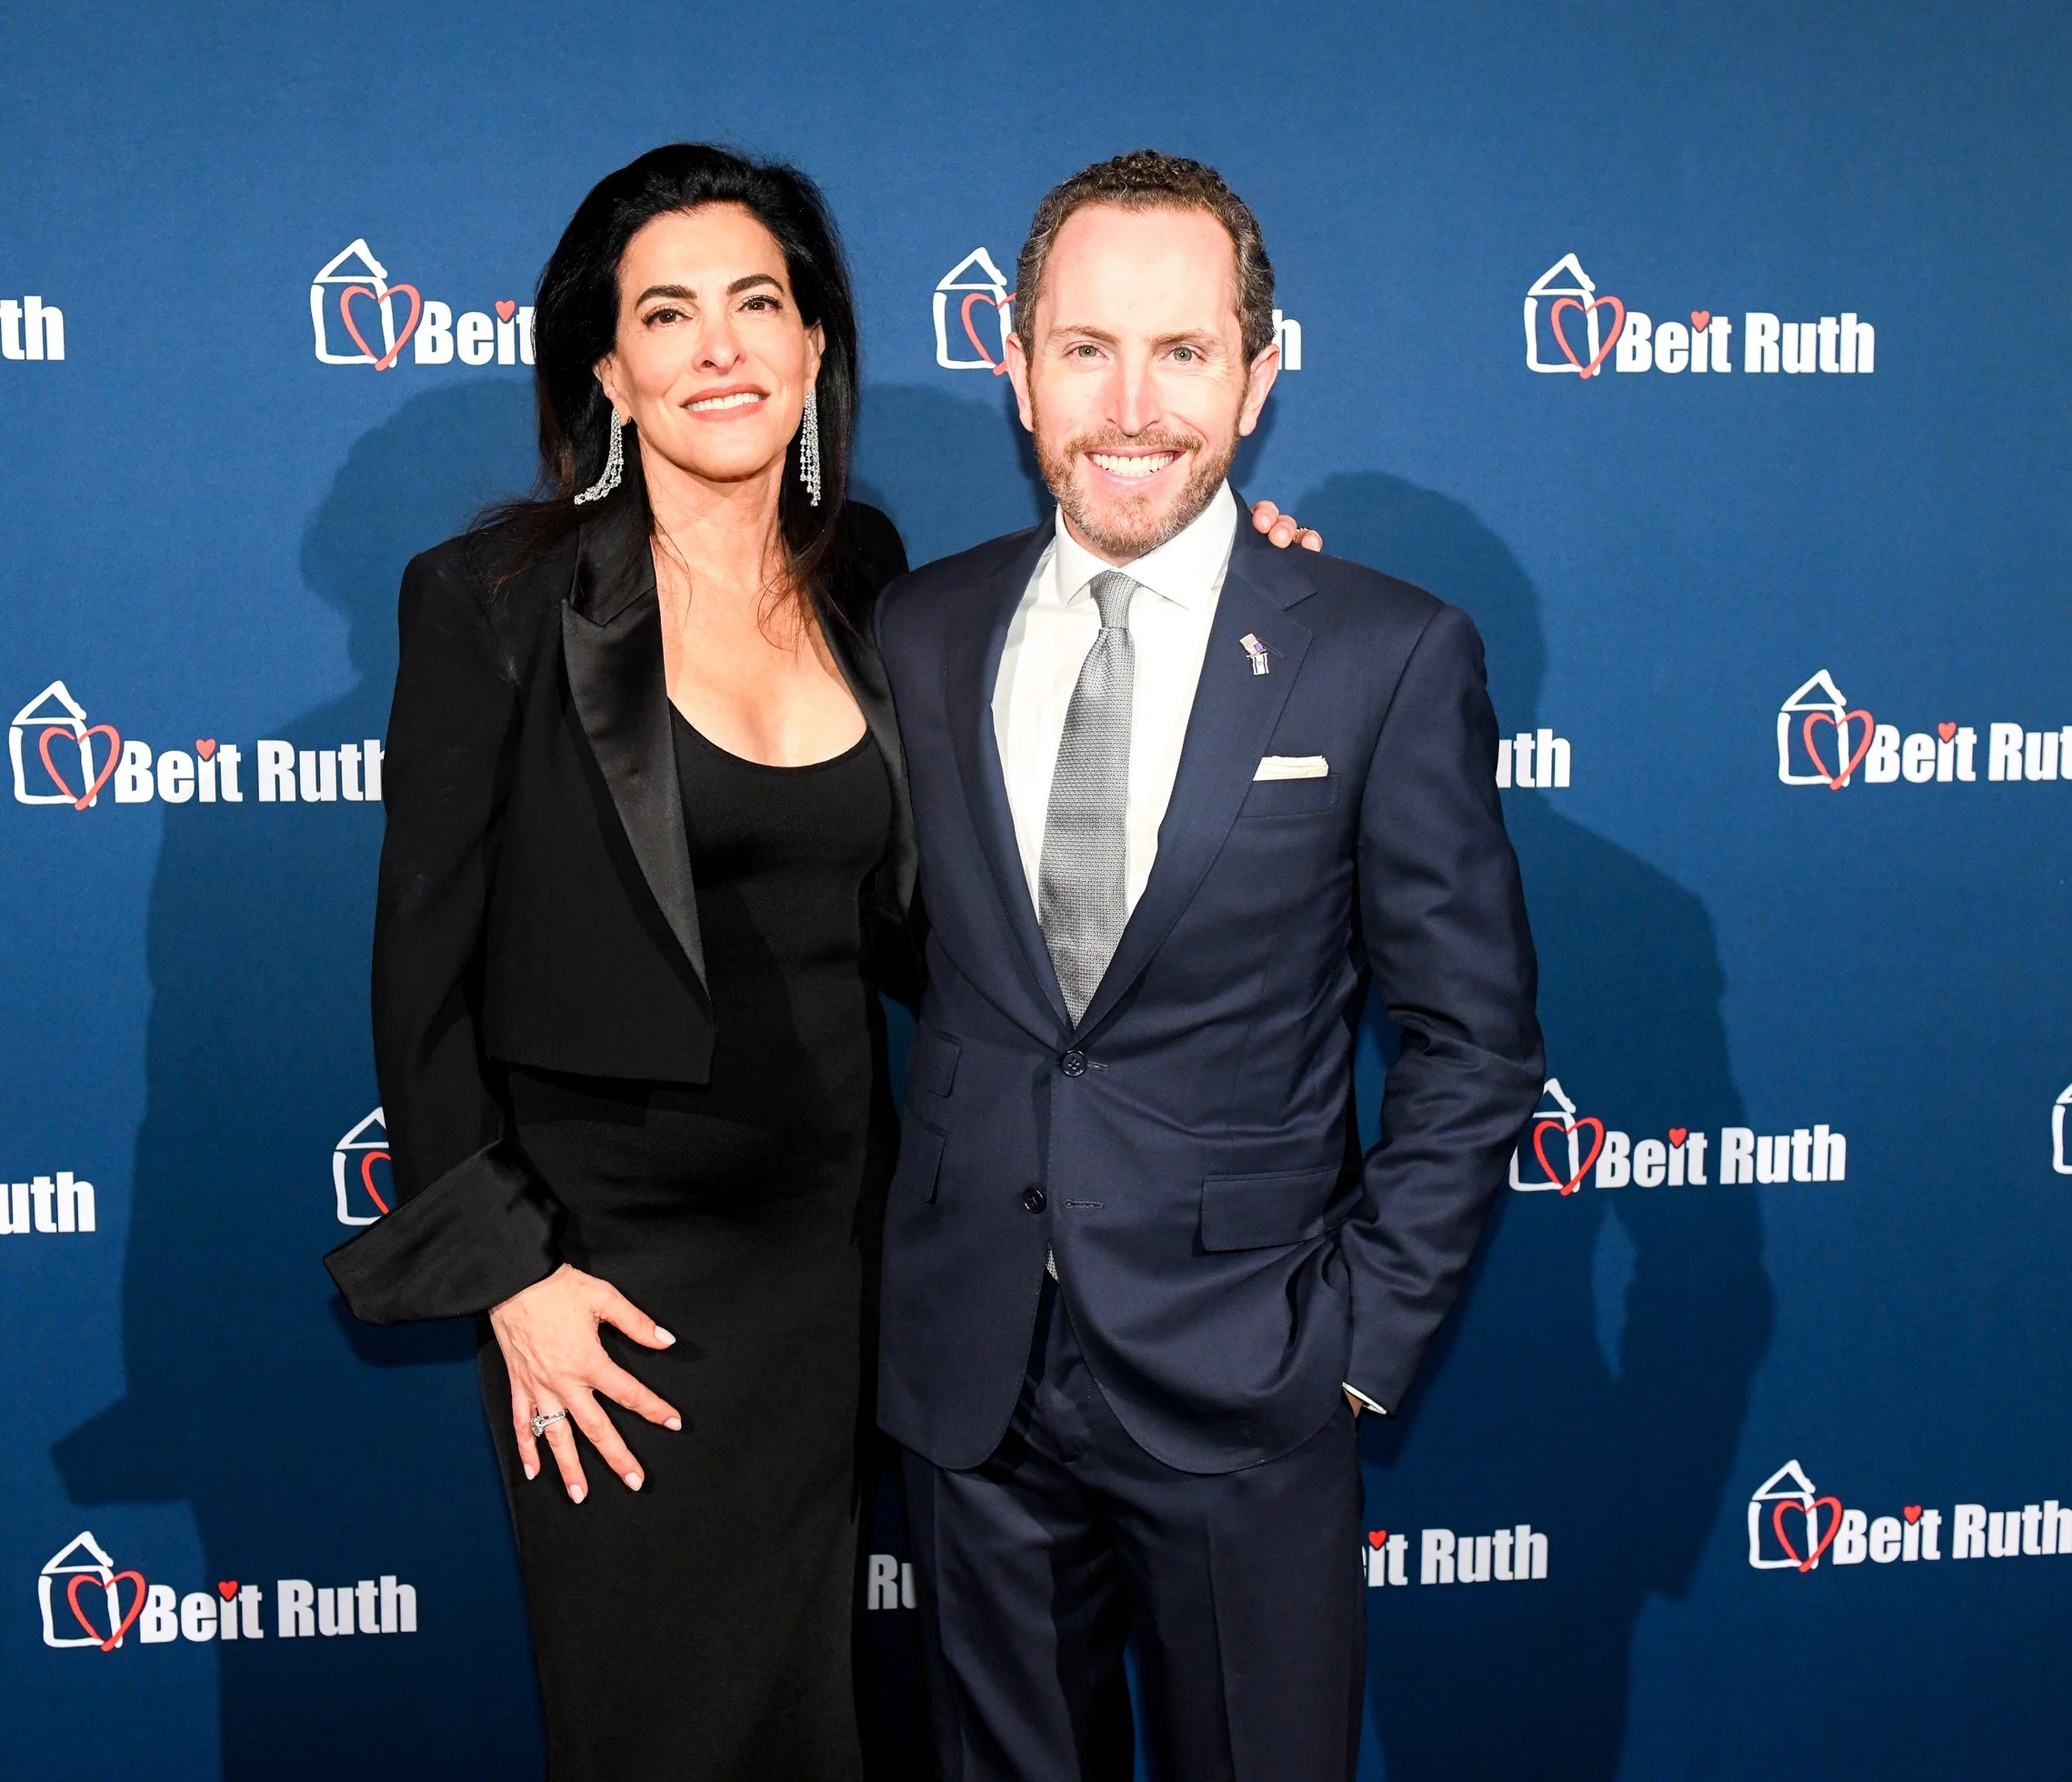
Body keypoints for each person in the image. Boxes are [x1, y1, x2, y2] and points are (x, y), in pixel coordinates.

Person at [324, 143, 1321, 1780]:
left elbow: (953, 910)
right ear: (607, 370)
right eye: (667, 314)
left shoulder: (867, 575)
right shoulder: (496, 602)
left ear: (812, 347)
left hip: (856, 1262)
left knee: (838, 1726)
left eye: (756, 305)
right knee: (663, 1733)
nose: (718, 348)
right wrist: (512, 1280)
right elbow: (417, 976)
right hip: (616, 1290)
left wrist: (1234, 588)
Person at [874, 151, 1546, 1780]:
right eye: (1085, 348)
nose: (1131, 406)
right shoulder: (917, 631)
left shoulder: (1383, 652)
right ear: (1016, 370)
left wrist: (1359, 1349)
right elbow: (903, 951)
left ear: (1256, 376)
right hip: (972, 1380)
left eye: (1182, 351)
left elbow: (1473, 1041)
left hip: (1252, 1378)